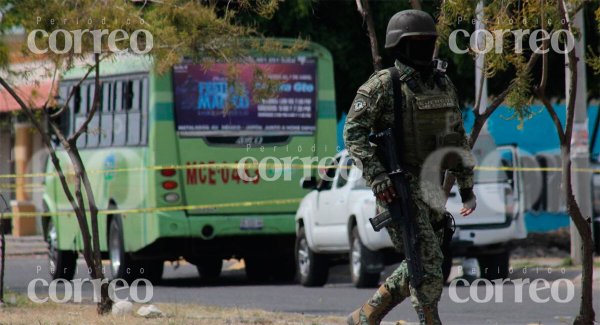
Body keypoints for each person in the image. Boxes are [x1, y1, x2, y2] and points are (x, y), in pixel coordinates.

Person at [343, 9, 477, 325]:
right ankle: (429, 319)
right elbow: (353, 132)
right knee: (427, 263)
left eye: (427, 41)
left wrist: (467, 187)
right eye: (415, 42)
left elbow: (456, 138)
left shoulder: (443, 85)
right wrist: (377, 176)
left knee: (426, 260)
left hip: (432, 187)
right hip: (399, 188)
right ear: (399, 46)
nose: (423, 48)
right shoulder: (384, 85)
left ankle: (365, 316)